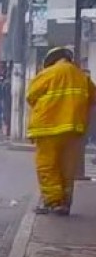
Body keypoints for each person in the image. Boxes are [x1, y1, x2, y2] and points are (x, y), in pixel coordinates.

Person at [27, 46, 96, 215]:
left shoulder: (46, 74)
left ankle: (53, 202)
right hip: (73, 129)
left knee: (47, 166)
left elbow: (30, 96)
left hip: (47, 128)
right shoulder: (82, 76)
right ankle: (65, 202)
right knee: (67, 166)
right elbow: (93, 98)